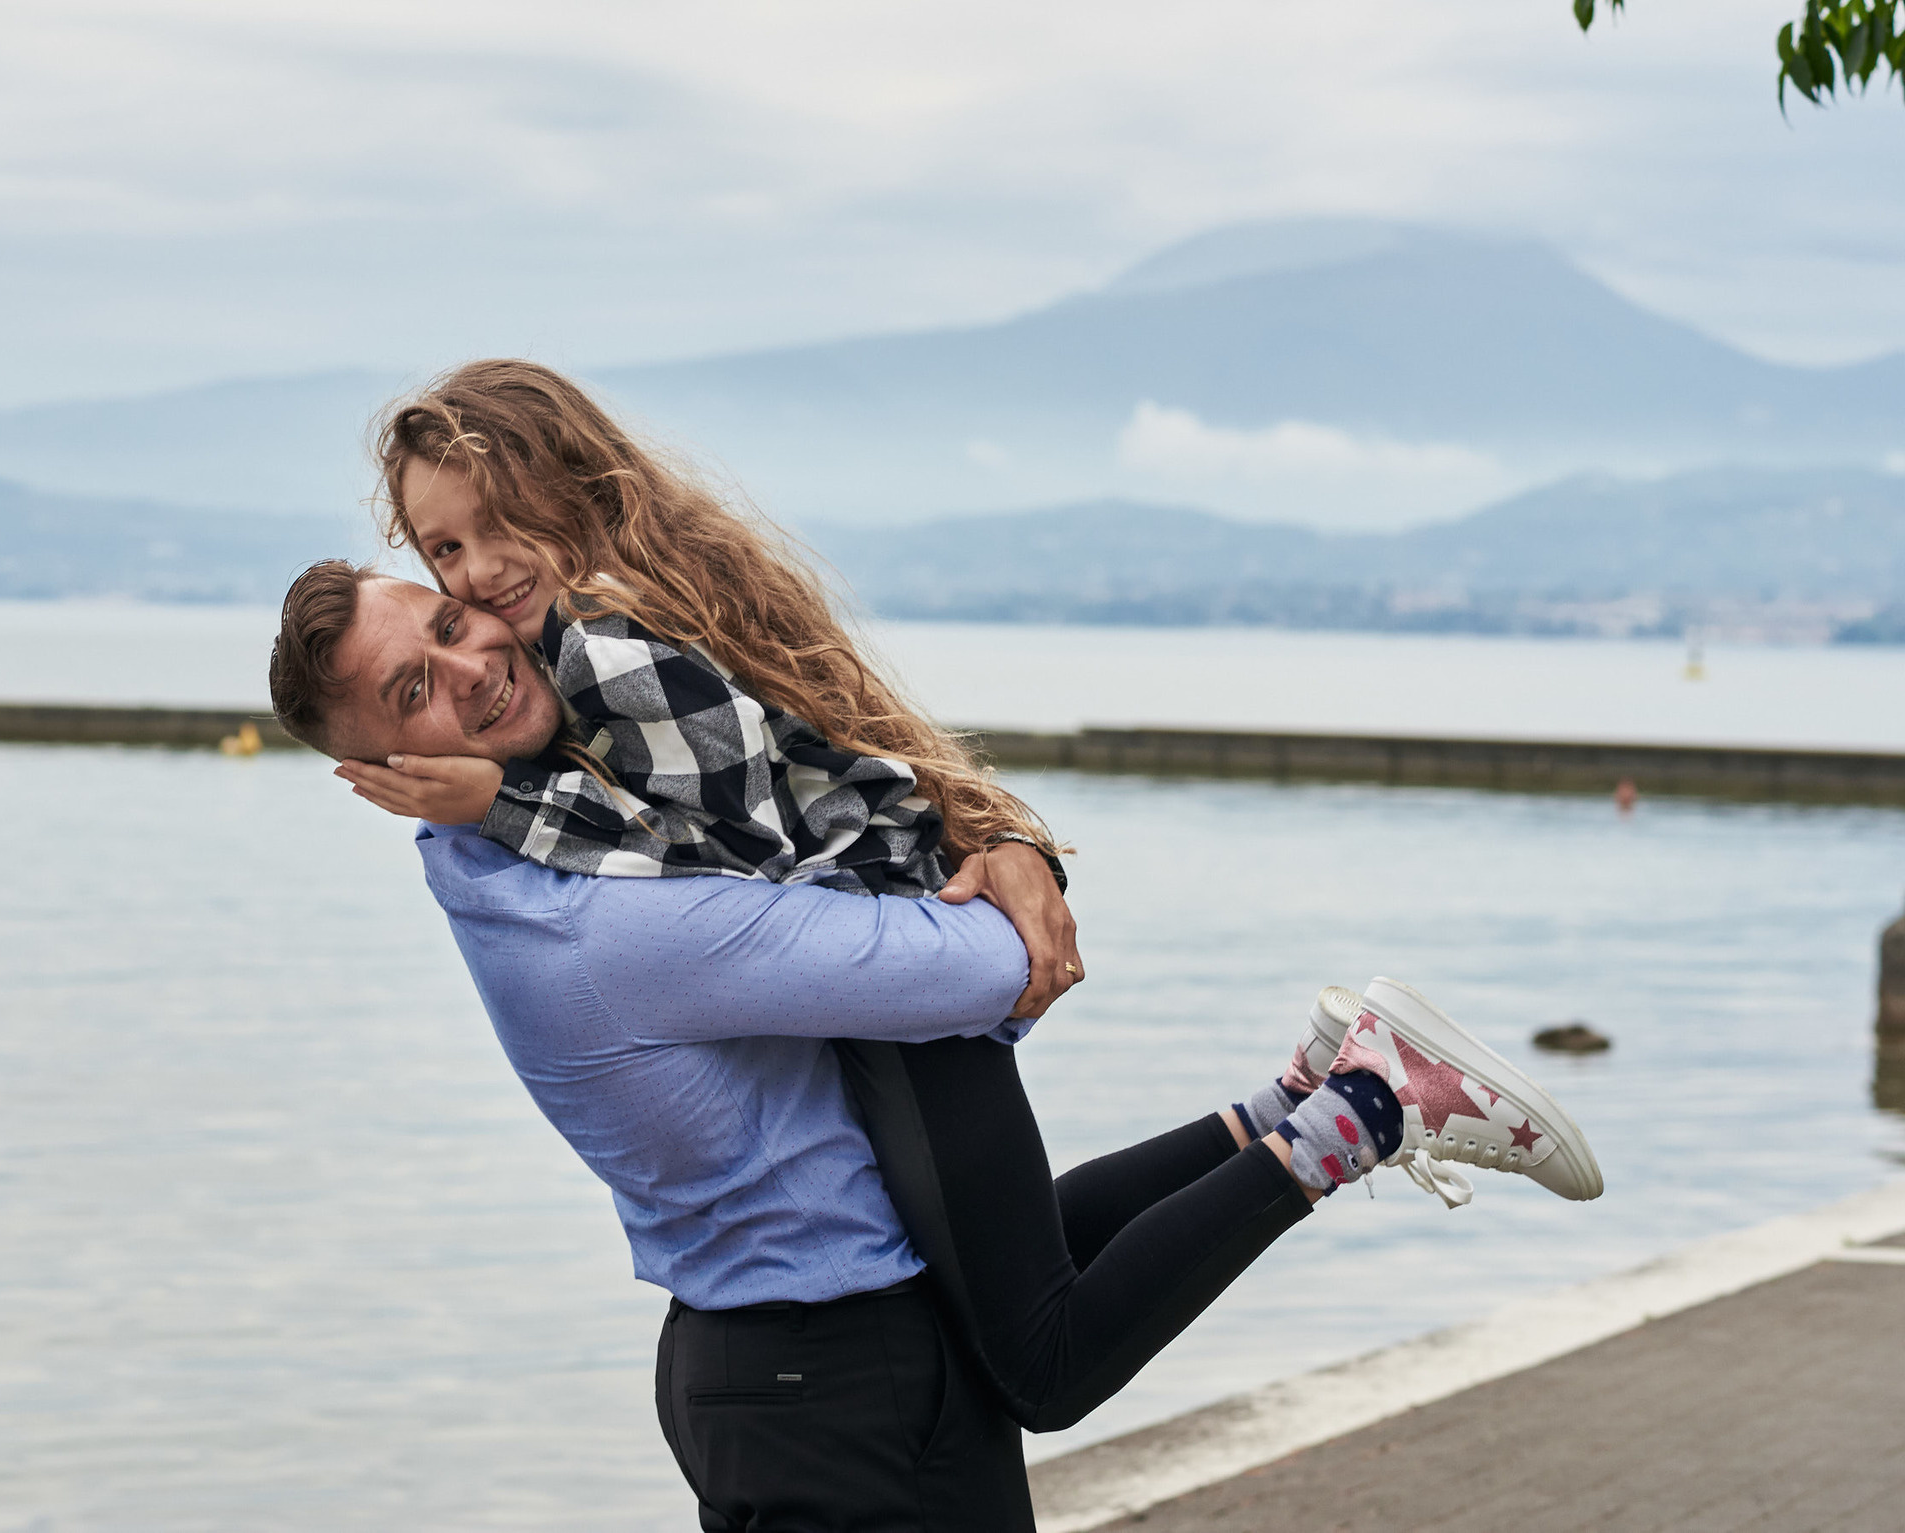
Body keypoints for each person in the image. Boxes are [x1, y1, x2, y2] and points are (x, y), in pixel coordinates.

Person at [267, 365, 1602, 1529]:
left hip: (883, 1009)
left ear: (570, 484)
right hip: (849, 1140)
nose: (475, 593)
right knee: (1029, 1282)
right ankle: (1304, 1100)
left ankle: (1363, 1105)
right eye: (444, 560)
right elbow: (702, 852)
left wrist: (496, 795)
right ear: (383, 763)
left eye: (480, 558)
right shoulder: (609, 675)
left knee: (1051, 1353)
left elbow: (696, 870)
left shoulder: (608, 662)